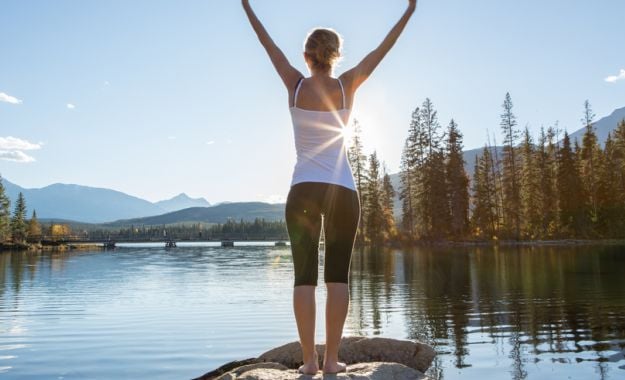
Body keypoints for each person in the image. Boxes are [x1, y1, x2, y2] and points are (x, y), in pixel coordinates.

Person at [242, 0, 417, 375]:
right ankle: (333, 361)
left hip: (303, 189)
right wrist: (409, 12)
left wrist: (246, 5)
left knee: (303, 278)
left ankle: (308, 361)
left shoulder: (295, 84)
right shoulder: (345, 86)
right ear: (335, 56)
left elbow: (265, 42)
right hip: (342, 190)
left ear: (307, 56)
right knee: (338, 277)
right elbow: (380, 52)